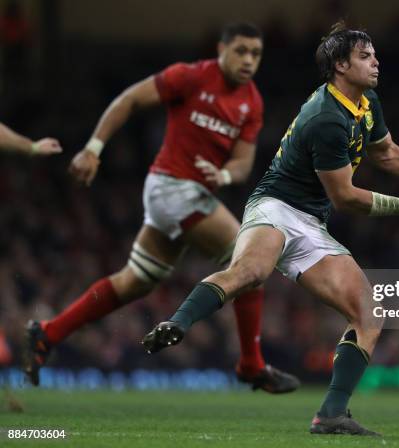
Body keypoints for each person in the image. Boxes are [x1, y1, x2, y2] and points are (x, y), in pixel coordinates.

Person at [142, 21, 399, 435]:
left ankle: (331, 414)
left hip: (311, 224)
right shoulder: (326, 119)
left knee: (369, 314)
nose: (376, 61)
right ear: (340, 65)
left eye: (373, 54)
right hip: (275, 208)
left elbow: (387, 153)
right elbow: (347, 198)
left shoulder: (366, 101)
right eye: (365, 56)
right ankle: (178, 323)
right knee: (252, 272)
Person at [23, 22, 299, 394]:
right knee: (250, 262)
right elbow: (129, 100)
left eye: (256, 53)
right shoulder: (189, 76)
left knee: (136, 280)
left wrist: (224, 175)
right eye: (241, 51)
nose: (248, 60)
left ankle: (48, 332)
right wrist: (93, 148)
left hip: (193, 194)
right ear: (222, 49)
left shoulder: (252, 102)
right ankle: (251, 364)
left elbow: (242, 164)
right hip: (171, 186)